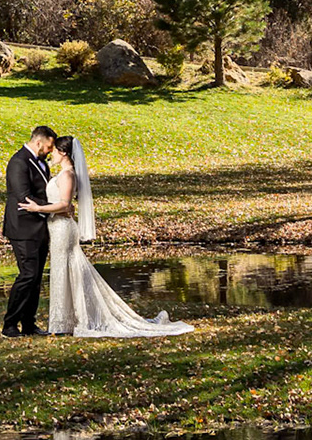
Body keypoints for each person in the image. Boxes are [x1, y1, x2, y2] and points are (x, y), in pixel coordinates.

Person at [19, 135, 194, 338]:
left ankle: (64, 323)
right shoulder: (64, 174)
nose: (52, 154)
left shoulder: (67, 175)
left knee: (65, 269)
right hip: (57, 226)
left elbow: (65, 205)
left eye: (55, 151)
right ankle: (64, 321)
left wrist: (38, 208)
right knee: (63, 270)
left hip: (63, 228)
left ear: (64, 153)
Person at [2, 125, 57, 337]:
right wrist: (51, 209)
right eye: (49, 146)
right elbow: (23, 195)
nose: (50, 150)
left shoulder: (41, 163)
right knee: (27, 274)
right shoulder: (19, 162)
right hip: (22, 227)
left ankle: (28, 323)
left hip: (40, 228)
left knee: (36, 278)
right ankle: (9, 324)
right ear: (39, 142)